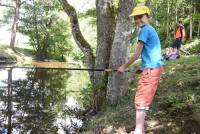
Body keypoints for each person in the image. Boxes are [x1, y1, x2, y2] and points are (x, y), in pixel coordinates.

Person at [117, 6, 164, 134]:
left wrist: (123, 67)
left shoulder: (144, 30)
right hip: (154, 68)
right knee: (143, 99)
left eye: (140, 16)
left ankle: (138, 131)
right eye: (135, 18)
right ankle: (140, 130)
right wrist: (141, 68)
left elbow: (137, 54)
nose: (138, 20)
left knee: (140, 100)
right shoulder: (151, 29)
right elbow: (151, 53)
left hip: (151, 70)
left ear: (148, 16)